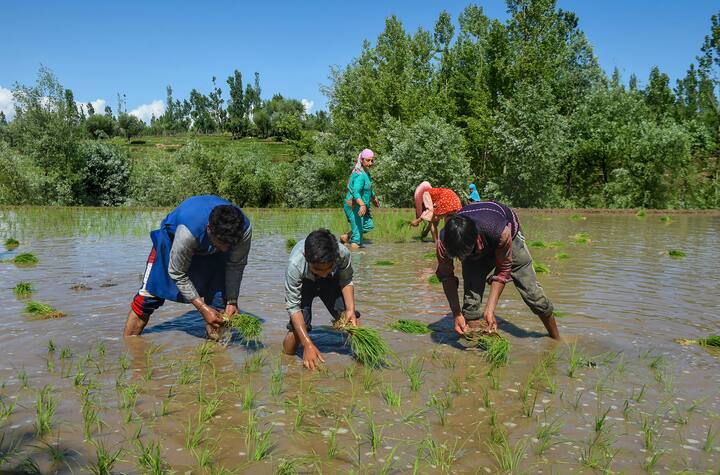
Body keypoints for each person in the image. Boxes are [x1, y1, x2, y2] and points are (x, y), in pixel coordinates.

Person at [123, 195, 252, 340]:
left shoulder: (243, 230)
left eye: (230, 245)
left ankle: (215, 355)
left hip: (212, 254)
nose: (225, 249)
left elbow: (236, 265)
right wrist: (202, 308)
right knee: (147, 299)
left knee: (220, 307)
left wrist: (232, 301)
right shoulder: (187, 231)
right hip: (173, 244)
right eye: (221, 243)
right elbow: (177, 273)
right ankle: (129, 345)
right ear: (209, 228)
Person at [435, 201, 560, 340]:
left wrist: (490, 309)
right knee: (471, 305)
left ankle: (556, 339)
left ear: (475, 239)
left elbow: (503, 269)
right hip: (473, 245)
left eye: (464, 253)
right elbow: (446, 277)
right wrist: (457, 314)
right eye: (459, 256)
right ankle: (475, 351)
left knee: (533, 296)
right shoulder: (444, 242)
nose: (462, 258)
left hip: (508, 239)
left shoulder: (499, 231)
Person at [283, 229, 359, 369]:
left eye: (328, 268)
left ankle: (362, 358)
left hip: (332, 281)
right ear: (306, 257)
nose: (323, 274)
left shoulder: (342, 254)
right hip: (305, 284)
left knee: (350, 320)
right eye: (318, 270)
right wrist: (307, 344)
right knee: (297, 330)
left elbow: (346, 280)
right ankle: (287, 363)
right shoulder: (295, 265)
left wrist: (350, 309)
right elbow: (293, 307)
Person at [340, 149, 379, 249]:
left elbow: (368, 188)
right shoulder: (360, 175)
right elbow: (356, 191)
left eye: (372, 160)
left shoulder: (367, 174)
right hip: (354, 206)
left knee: (368, 225)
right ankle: (357, 261)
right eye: (368, 160)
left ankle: (346, 237)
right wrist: (362, 204)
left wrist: (374, 197)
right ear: (361, 160)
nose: (370, 163)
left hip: (361, 205)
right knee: (357, 239)